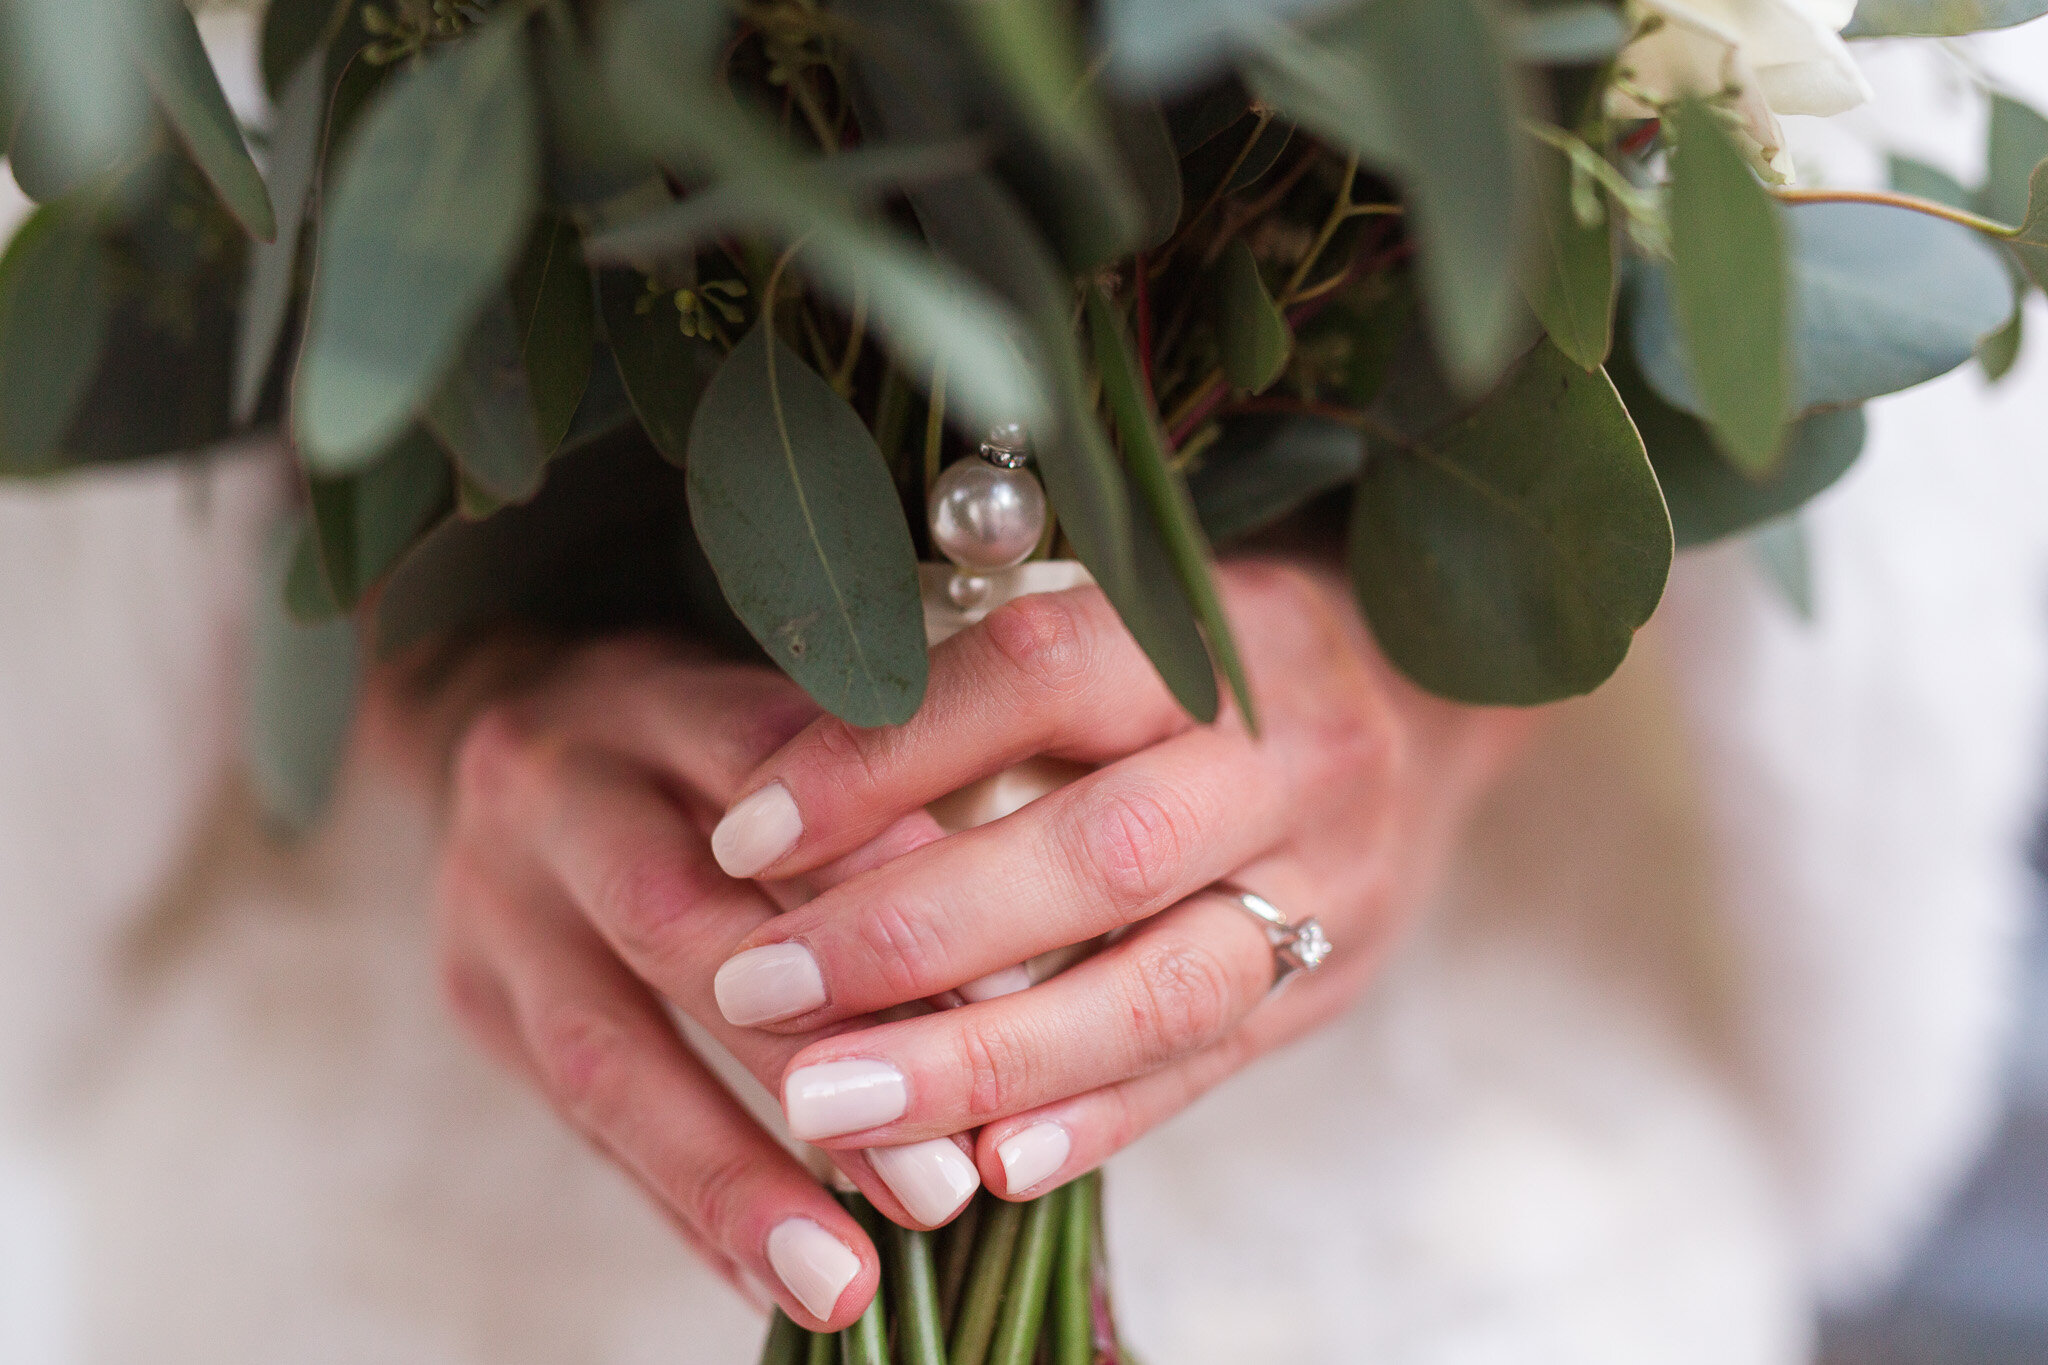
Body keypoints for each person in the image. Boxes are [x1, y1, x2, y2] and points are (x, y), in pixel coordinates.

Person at [2, 16, 2047, 1365]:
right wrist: (450, 674)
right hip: (392, 1180)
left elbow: (1865, 194)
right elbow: (191, 161)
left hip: (1457, 1182)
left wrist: (1428, 698)